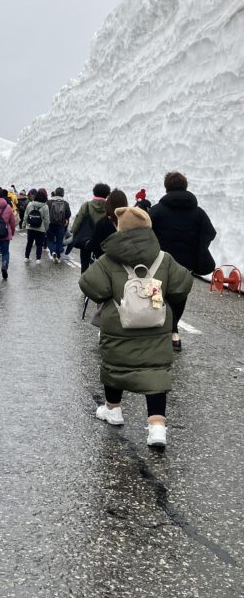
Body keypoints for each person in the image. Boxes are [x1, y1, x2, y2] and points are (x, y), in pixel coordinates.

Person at [79, 205, 193, 449]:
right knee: (155, 372)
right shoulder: (164, 258)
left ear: (120, 229)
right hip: (157, 326)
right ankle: (157, 428)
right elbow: (182, 285)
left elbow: (89, 286)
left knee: (114, 366)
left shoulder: (108, 260)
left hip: (119, 325)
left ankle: (114, 410)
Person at [149, 171, 217, 351]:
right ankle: (174, 334)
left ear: (167, 187)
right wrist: (198, 248)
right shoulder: (198, 212)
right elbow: (210, 232)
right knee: (179, 296)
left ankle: (158, 330)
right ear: (185, 186)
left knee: (156, 296)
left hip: (158, 264)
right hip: (185, 266)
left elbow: (146, 233)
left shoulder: (157, 210)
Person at [70, 183, 111, 273]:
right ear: (107, 194)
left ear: (94, 192)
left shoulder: (87, 205)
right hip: (102, 241)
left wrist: (73, 231)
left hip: (86, 239)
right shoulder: (108, 207)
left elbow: (78, 219)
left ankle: (85, 283)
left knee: (84, 265)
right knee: (102, 265)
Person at [89, 189, 128, 260]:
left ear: (109, 205)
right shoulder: (131, 222)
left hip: (106, 266)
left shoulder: (102, 224)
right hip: (126, 266)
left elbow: (93, 246)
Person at [22, 187, 49, 262]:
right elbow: (46, 219)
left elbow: (26, 215)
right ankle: (38, 259)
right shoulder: (45, 206)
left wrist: (24, 224)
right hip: (41, 228)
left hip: (30, 227)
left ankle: (26, 257)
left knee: (29, 243)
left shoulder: (30, 204)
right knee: (39, 244)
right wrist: (46, 229)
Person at [46, 187, 71, 262]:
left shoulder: (49, 202)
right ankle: (58, 257)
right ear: (63, 194)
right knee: (59, 241)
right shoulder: (65, 203)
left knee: (50, 240)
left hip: (50, 224)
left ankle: (53, 252)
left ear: (55, 193)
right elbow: (68, 214)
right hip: (61, 225)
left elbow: (46, 213)